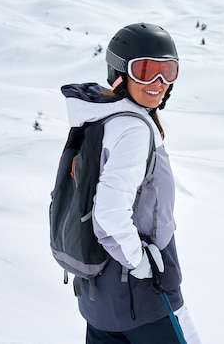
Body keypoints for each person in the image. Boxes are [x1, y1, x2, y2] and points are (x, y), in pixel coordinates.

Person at [61, 22, 201, 343]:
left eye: (168, 70)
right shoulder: (134, 129)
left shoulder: (97, 117)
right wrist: (140, 263)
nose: (159, 82)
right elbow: (109, 213)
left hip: (98, 294)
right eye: (146, 70)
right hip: (143, 293)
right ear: (119, 73)